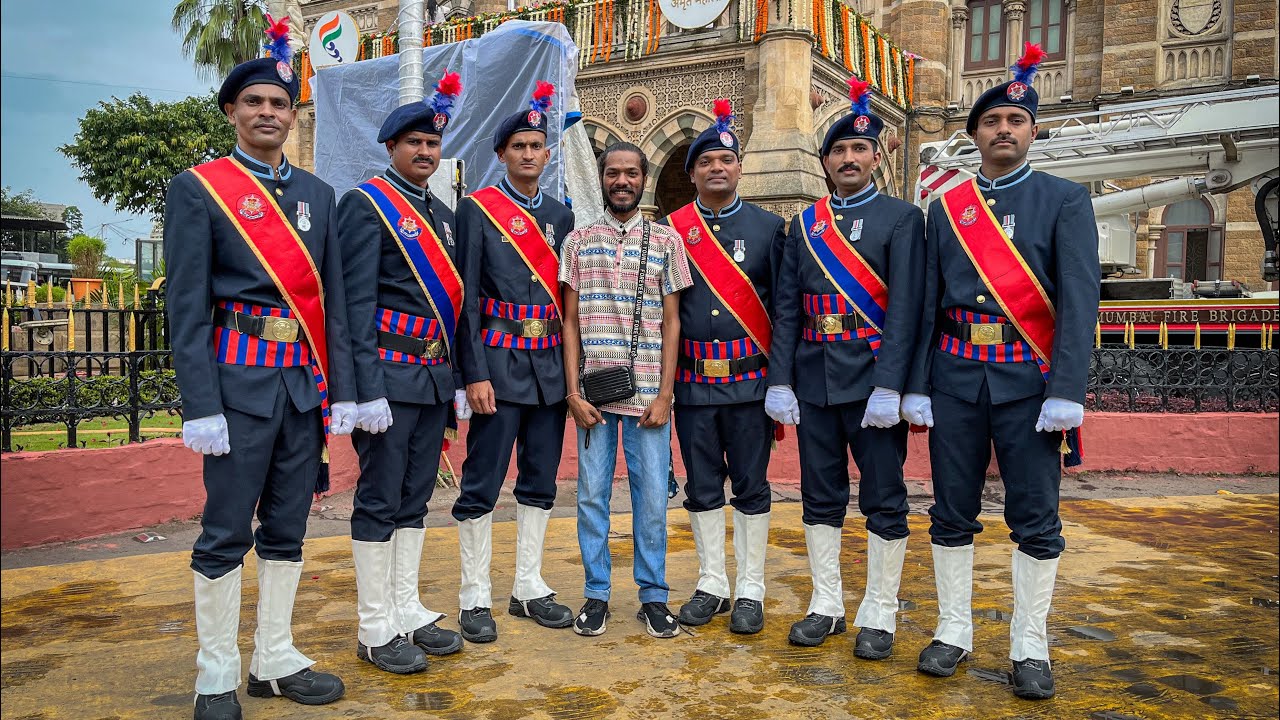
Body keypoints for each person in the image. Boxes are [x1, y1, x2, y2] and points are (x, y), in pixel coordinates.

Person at [164, 16, 354, 719]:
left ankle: (273, 657)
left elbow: (332, 306)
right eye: (255, 103)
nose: (268, 113)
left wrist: (341, 392)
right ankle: (215, 673)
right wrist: (200, 405)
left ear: (291, 112)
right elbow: (185, 308)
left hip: (302, 389)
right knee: (224, 531)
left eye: (279, 103)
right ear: (232, 113)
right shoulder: (200, 189)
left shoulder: (319, 195)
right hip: (237, 387)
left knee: (287, 528)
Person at [905, 43, 1099, 700]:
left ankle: (1029, 645)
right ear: (976, 135)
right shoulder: (946, 208)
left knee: (1036, 518)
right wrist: (919, 387)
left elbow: (1079, 303)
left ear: (1032, 131)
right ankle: (953, 630)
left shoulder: (1065, 201)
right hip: (957, 381)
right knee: (950, 513)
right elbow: (928, 304)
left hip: (1031, 390)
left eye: (1015, 123)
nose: (1004, 131)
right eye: (991, 123)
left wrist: (1068, 391)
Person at [767, 78, 925, 658]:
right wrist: (781, 379)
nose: (849, 158)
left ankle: (880, 612)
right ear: (825, 162)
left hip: (873, 385)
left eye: (859, 150)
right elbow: (788, 310)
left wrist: (893, 387)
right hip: (814, 380)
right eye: (838, 151)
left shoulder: (903, 219)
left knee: (884, 497)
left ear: (876, 157)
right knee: (820, 496)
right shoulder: (803, 226)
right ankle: (826, 604)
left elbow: (908, 309)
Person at [337, 72, 467, 675]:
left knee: (415, 499)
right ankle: (373, 625)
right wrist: (364, 391)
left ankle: (406, 606)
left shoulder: (442, 215)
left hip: (433, 379)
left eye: (433, 144)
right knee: (380, 497)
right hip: (388, 378)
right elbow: (354, 306)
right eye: (413, 142)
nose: (424, 152)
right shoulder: (365, 205)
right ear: (390, 147)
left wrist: (459, 381)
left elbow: (455, 308)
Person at [451, 82, 576, 643]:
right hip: (497, 368)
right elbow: (468, 299)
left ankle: (528, 585)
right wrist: (473, 372)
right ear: (501, 154)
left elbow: (568, 300)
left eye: (536, 145)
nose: (529, 153)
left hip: (548, 370)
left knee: (540, 481)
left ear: (547, 153)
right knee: (481, 482)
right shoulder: (476, 210)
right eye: (518, 145)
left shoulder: (560, 215)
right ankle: (473, 595)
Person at [661, 100, 785, 634]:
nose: (717, 168)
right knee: (703, 486)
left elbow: (784, 310)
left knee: (752, 487)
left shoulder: (769, 228)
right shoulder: (670, 230)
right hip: (692, 384)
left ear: (740, 167)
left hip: (750, 384)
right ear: (691, 173)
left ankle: (750, 589)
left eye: (725, 160)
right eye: (705, 161)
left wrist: (781, 384)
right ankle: (712, 582)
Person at [560, 142, 693, 638]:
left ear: (643, 179)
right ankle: (596, 594)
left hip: (648, 402)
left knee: (652, 498)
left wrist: (665, 394)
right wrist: (573, 393)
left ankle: (653, 596)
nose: (622, 181)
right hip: (593, 398)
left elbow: (674, 323)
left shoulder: (667, 242)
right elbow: (569, 322)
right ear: (602, 179)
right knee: (591, 496)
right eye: (613, 173)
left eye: (631, 173)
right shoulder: (577, 241)